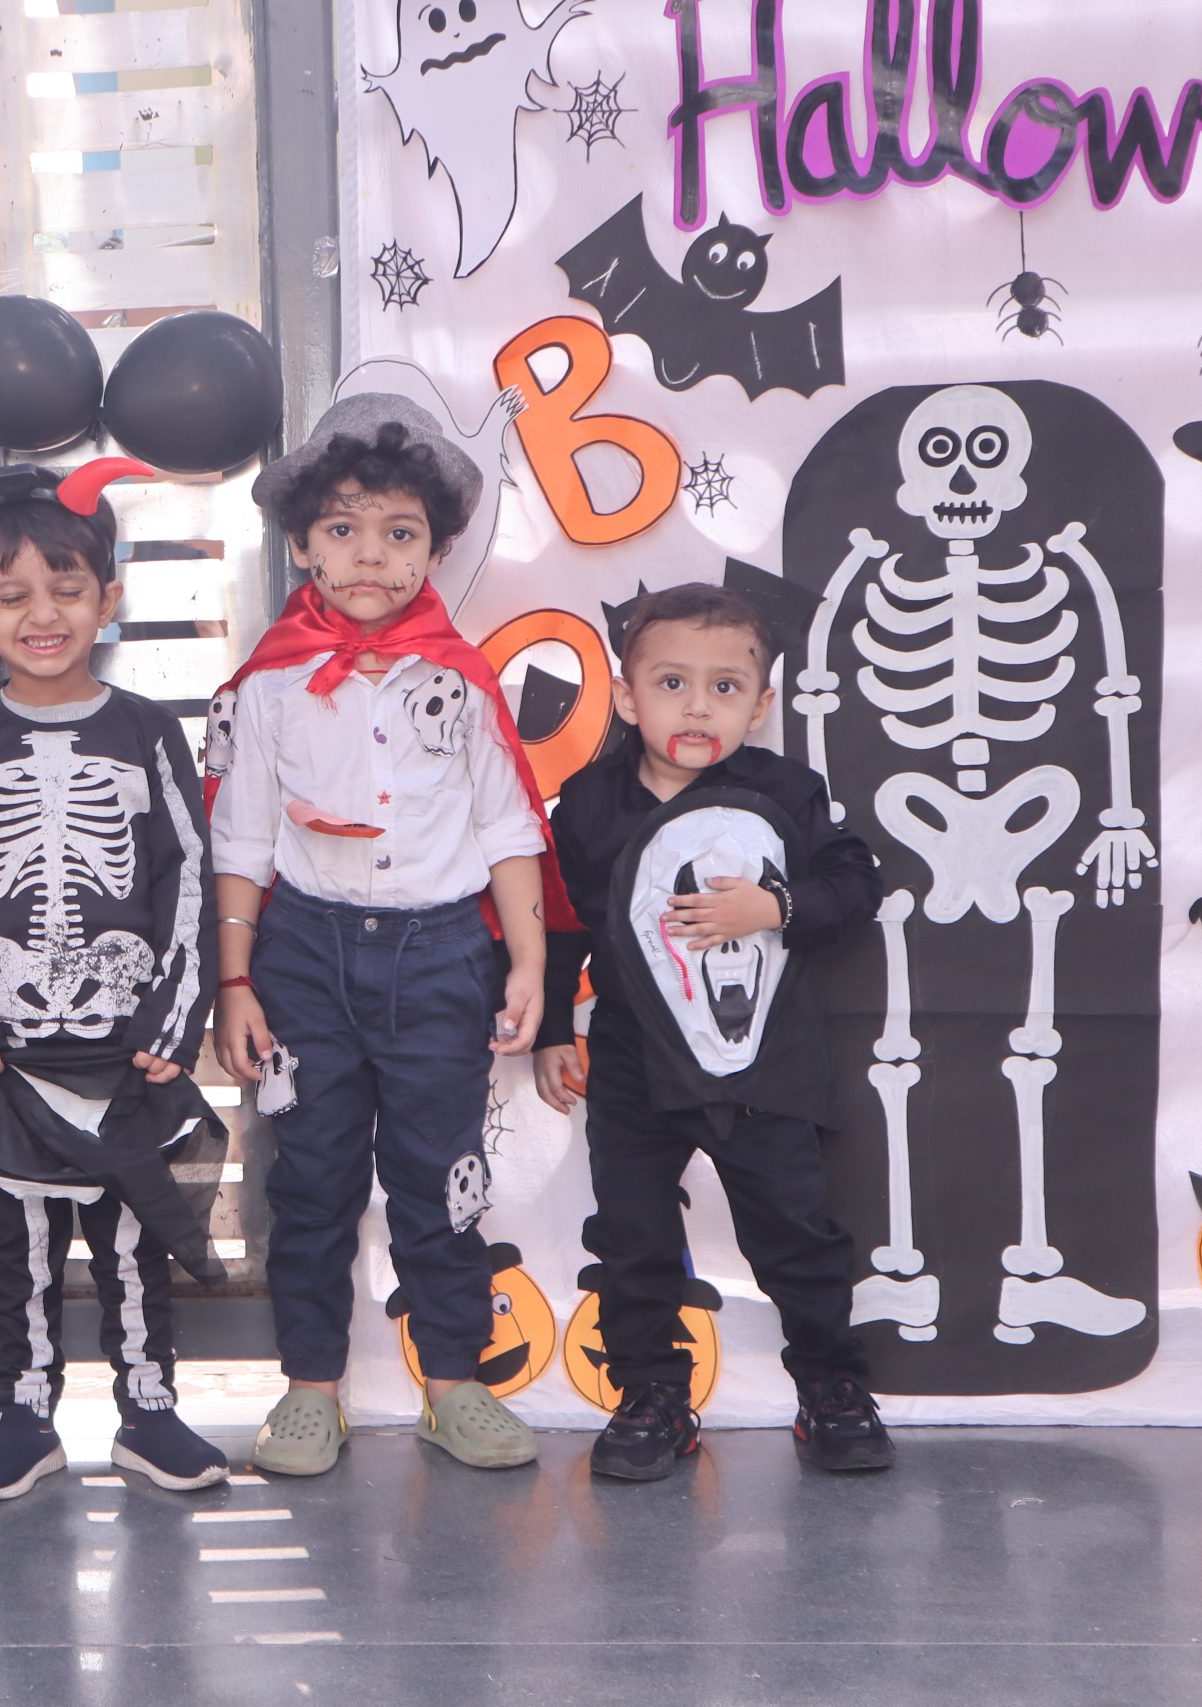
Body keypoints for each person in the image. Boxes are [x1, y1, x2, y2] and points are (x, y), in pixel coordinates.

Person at [207, 394, 562, 1477]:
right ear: (302, 544)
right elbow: (242, 836)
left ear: (435, 550)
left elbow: (509, 829)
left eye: (399, 532)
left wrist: (529, 961)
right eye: (344, 528)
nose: (371, 554)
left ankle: (452, 1382)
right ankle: (310, 1389)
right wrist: (235, 980)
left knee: (441, 1174)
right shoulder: (270, 684)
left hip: (441, 956)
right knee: (309, 1180)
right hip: (303, 957)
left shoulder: (461, 681)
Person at [0, 454, 229, 1502]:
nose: (42, 614)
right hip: (3, 1052)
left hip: (126, 1044)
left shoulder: (147, 731)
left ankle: (149, 1410)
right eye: (12, 597)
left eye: (66, 588)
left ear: (109, 598)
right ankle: (24, 1415)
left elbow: (189, 876)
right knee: (22, 1248)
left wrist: (175, 1019)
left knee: (133, 1240)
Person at [533, 582, 894, 1480]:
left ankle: (832, 1386)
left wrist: (774, 905)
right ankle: (652, 1394)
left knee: (796, 1230)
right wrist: (551, 1027)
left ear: (760, 704)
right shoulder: (587, 803)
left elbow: (856, 881)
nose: (698, 706)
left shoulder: (787, 792)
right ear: (627, 697)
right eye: (672, 683)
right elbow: (562, 924)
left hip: (766, 1058)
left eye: (725, 687)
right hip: (635, 1058)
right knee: (633, 1232)